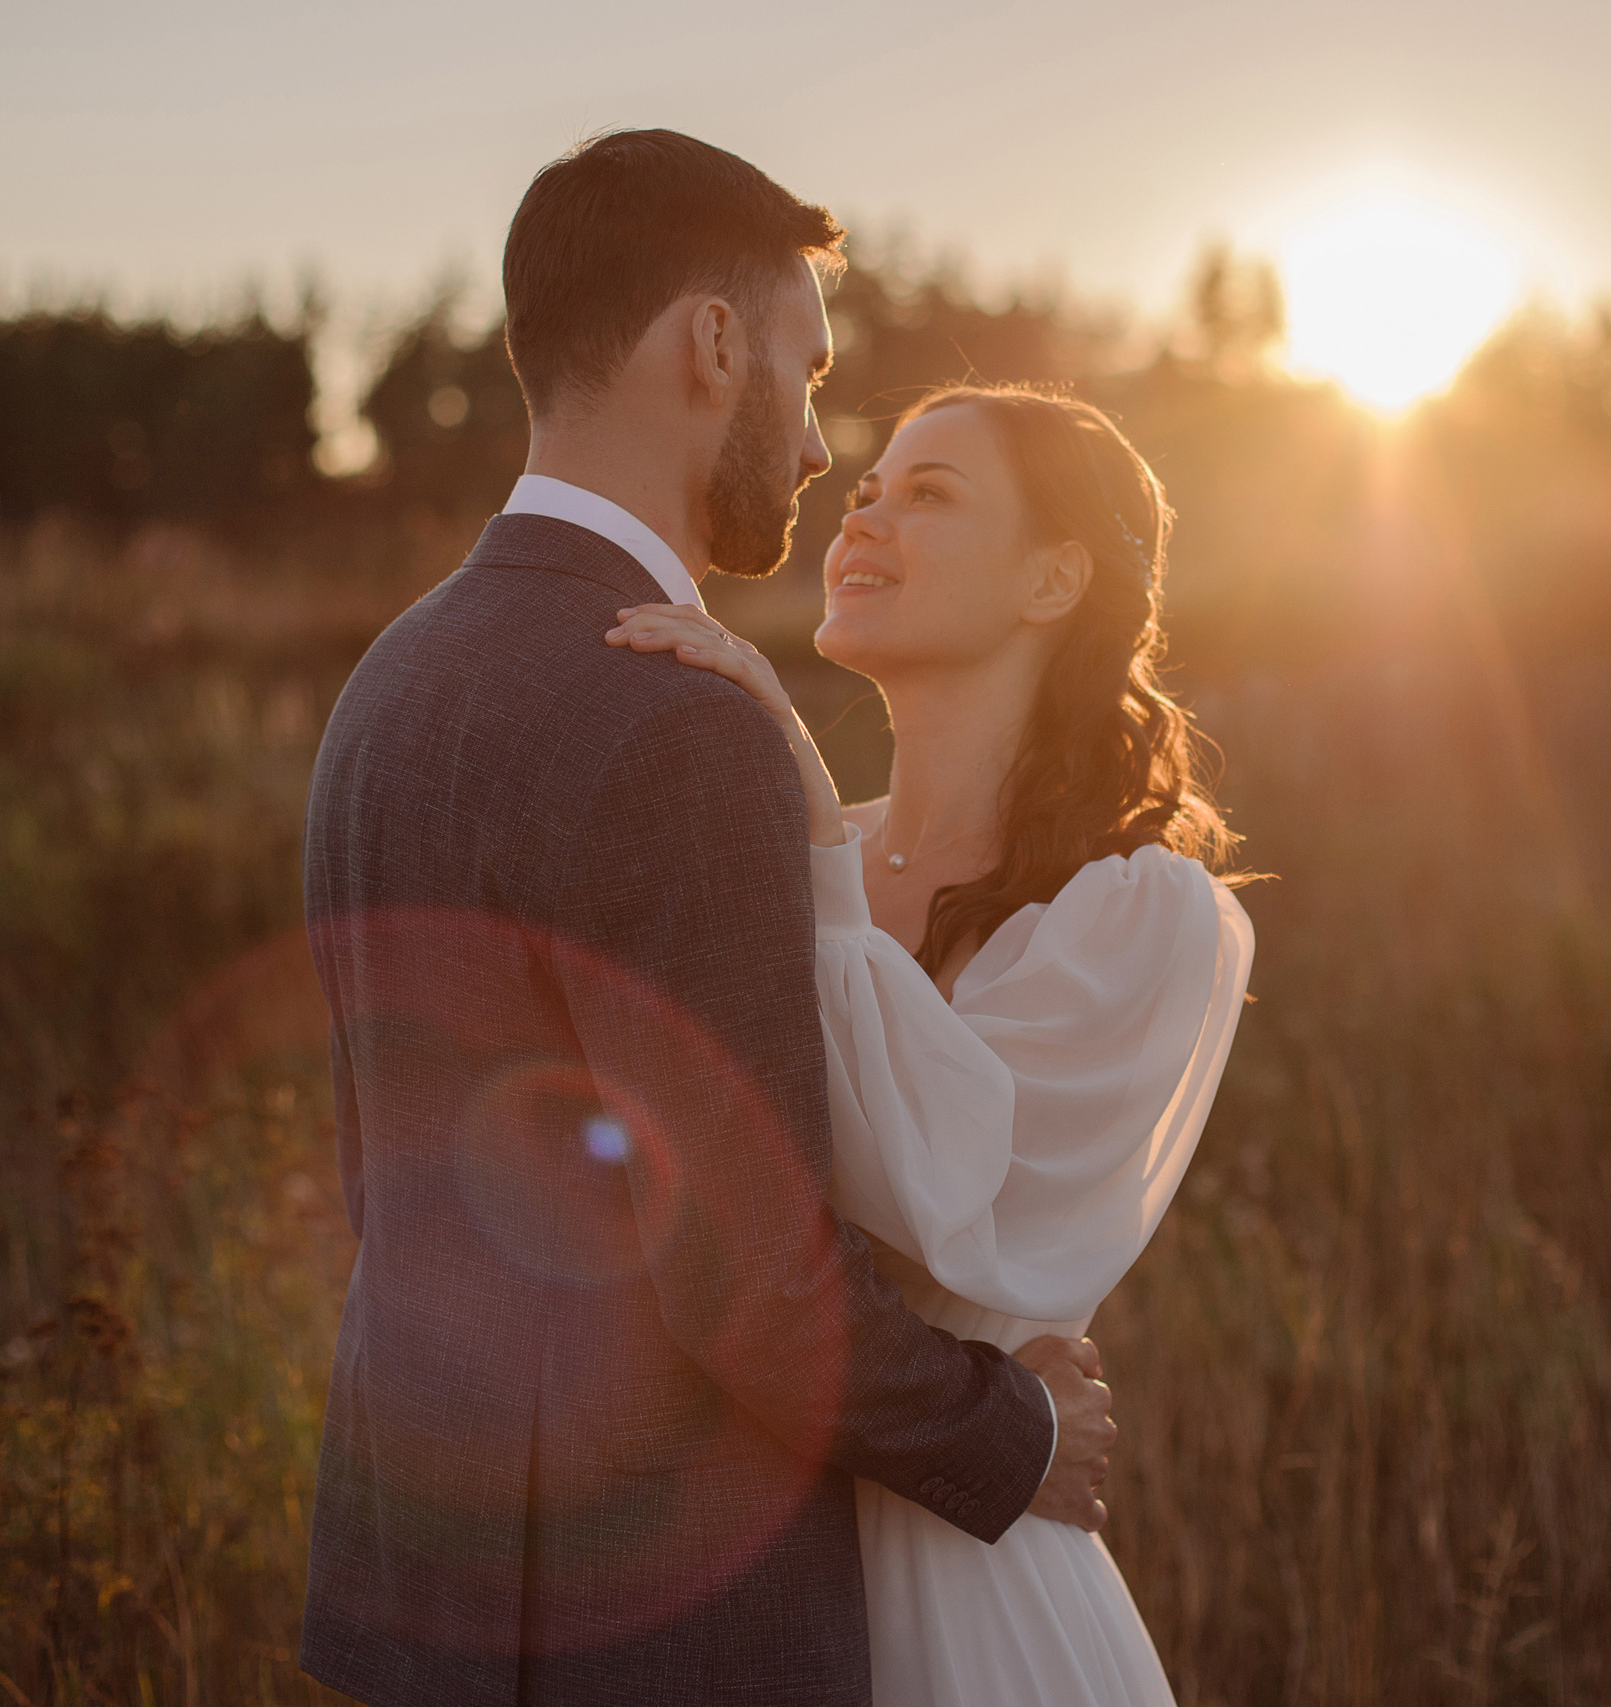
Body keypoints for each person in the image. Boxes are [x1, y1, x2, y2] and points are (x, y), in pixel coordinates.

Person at [297, 132, 1115, 1707]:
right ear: (713, 345)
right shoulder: (676, 722)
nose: (814, 446)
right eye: (808, 374)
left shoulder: (390, 681)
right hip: (650, 1630)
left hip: (420, 1599)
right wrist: (1015, 1431)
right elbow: (751, 1282)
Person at [606, 385, 1256, 1704]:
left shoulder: (1143, 913)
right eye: (866, 490)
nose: (862, 517)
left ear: (1052, 579)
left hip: (966, 1572)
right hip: (731, 1579)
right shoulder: (791, 857)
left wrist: (800, 808)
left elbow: (942, 1200)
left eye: (930, 495)